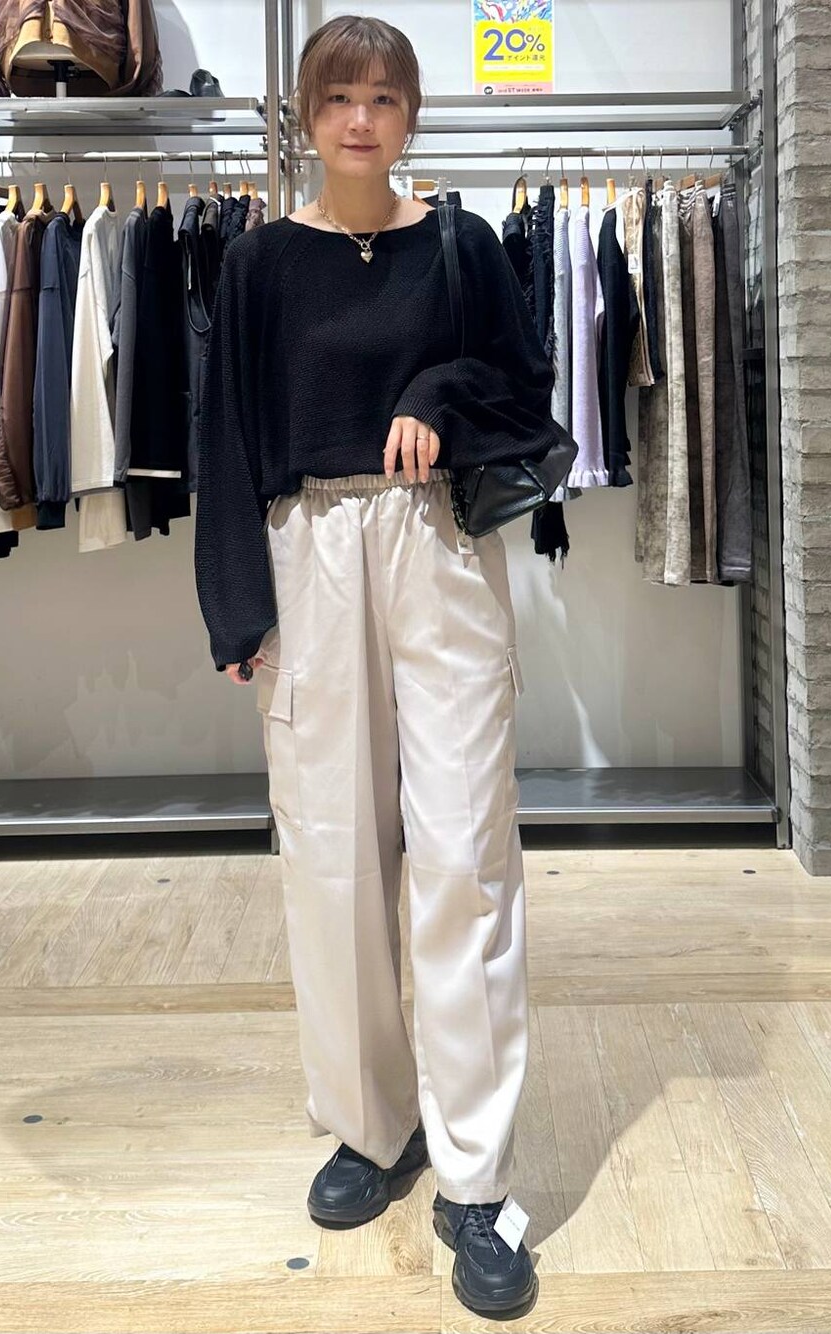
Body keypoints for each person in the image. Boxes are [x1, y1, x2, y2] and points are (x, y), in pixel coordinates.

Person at [194, 13, 558, 1320]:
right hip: (309, 556)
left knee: (463, 855)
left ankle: (477, 1178)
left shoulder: (463, 246)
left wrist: (438, 396)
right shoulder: (258, 263)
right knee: (333, 853)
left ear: (412, 115)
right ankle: (371, 1124)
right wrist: (236, 608)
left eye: (385, 97)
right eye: (338, 97)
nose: (362, 119)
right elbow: (225, 434)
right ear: (305, 115)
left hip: (437, 548)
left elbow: (528, 392)